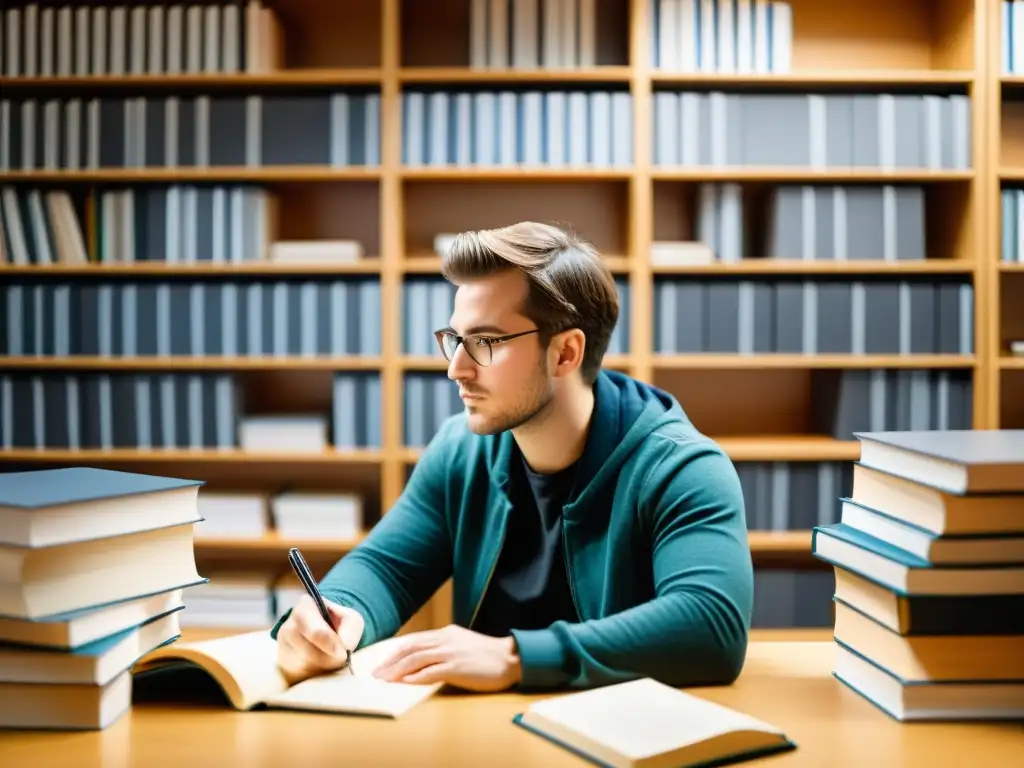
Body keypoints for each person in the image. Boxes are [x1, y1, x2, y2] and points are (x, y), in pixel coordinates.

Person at [272, 221, 755, 693]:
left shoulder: (681, 468)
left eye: (485, 342)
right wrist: (340, 612)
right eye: (455, 340)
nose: (455, 370)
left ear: (565, 353)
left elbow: (709, 627)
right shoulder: (460, 449)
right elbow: (387, 567)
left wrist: (513, 658)